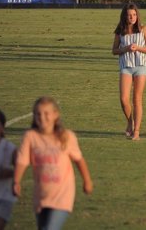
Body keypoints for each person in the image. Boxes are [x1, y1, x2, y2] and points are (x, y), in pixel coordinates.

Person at [13, 97, 93, 230]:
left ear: (56, 114)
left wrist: (87, 181)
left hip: (62, 195)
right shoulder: (30, 137)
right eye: (38, 114)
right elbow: (22, 161)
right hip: (41, 196)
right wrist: (16, 182)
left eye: (46, 113)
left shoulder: (66, 136)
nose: (42, 117)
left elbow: (79, 159)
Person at [112, 4, 146, 141]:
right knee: (124, 99)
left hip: (140, 66)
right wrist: (125, 49)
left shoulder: (143, 29)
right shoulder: (120, 31)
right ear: (125, 16)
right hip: (126, 66)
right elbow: (114, 50)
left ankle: (136, 131)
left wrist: (138, 48)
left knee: (137, 99)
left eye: (134, 15)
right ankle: (130, 122)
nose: (132, 17)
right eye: (130, 15)